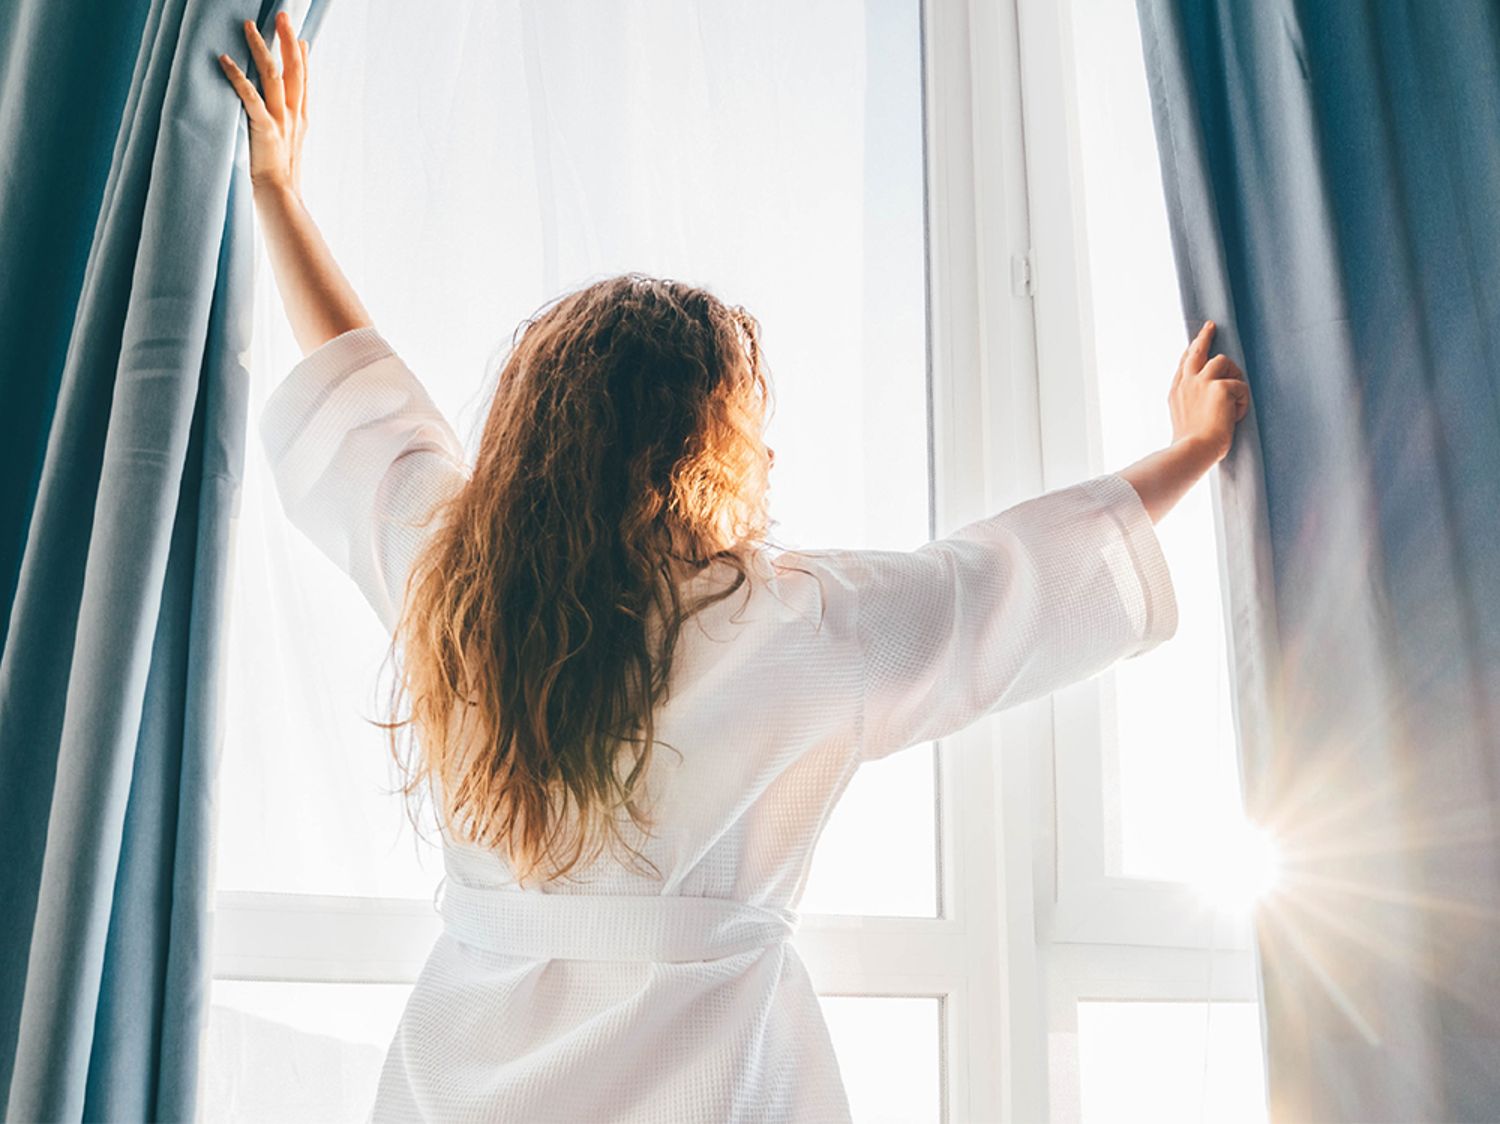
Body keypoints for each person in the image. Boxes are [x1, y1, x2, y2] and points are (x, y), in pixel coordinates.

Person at [220, 13, 1249, 1123]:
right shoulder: (791, 629)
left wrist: (277, 189)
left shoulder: (455, 586)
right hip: (708, 1080)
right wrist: (1187, 454)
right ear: (698, 449)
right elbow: (993, 582)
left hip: (463, 1080)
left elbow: (362, 401)